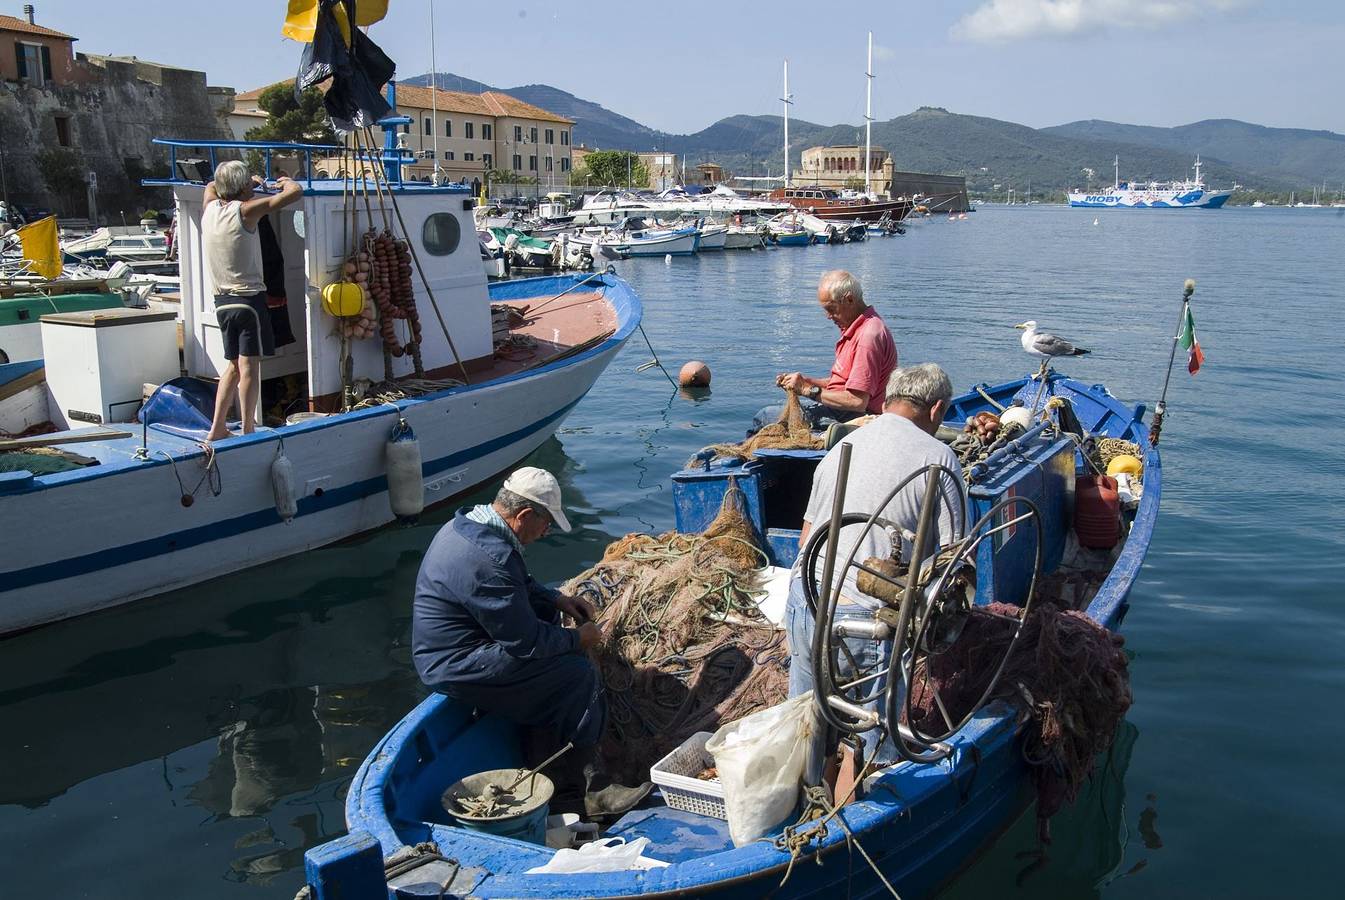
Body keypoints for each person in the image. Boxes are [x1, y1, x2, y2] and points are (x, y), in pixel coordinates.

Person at [412, 466, 652, 817]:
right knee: (577, 675)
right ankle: (594, 791)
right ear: (524, 515)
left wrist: (557, 599)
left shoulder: (470, 528)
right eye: (546, 522)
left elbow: (518, 583)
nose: (546, 531)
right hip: (455, 663)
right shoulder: (489, 559)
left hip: (461, 647)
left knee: (548, 618)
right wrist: (579, 638)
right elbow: (528, 643)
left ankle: (544, 758)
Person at [785, 364, 965, 763]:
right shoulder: (939, 458)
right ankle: (868, 788)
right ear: (937, 409)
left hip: (804, 599)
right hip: (867, 617)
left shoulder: (841, 447)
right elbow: (953, 563)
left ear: (886, 401)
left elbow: (805, 540)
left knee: (802, 726)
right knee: (873, 742)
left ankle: (801, 787)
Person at [201, 160, 302, 441]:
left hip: (222, 303)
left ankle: (217, 428)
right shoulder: (246, 211)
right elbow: (294, 194)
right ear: (243, 187)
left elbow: (210, 186)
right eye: (247, 184)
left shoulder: (209, 209)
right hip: (249, 302)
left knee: (233, 366)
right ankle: (248, 429)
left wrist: (245, 182)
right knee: (249, 367)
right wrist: (285, 181)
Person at [750, 270, 897, 435]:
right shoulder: (860, 328)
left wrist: (807, 389)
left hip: (854, 416)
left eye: (831, 309)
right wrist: (805, 382)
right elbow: (845, 383)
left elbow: (857, 401)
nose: (828, 316)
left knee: (764, 416)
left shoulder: (867, 337)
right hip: (843, 410)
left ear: (849, 299)